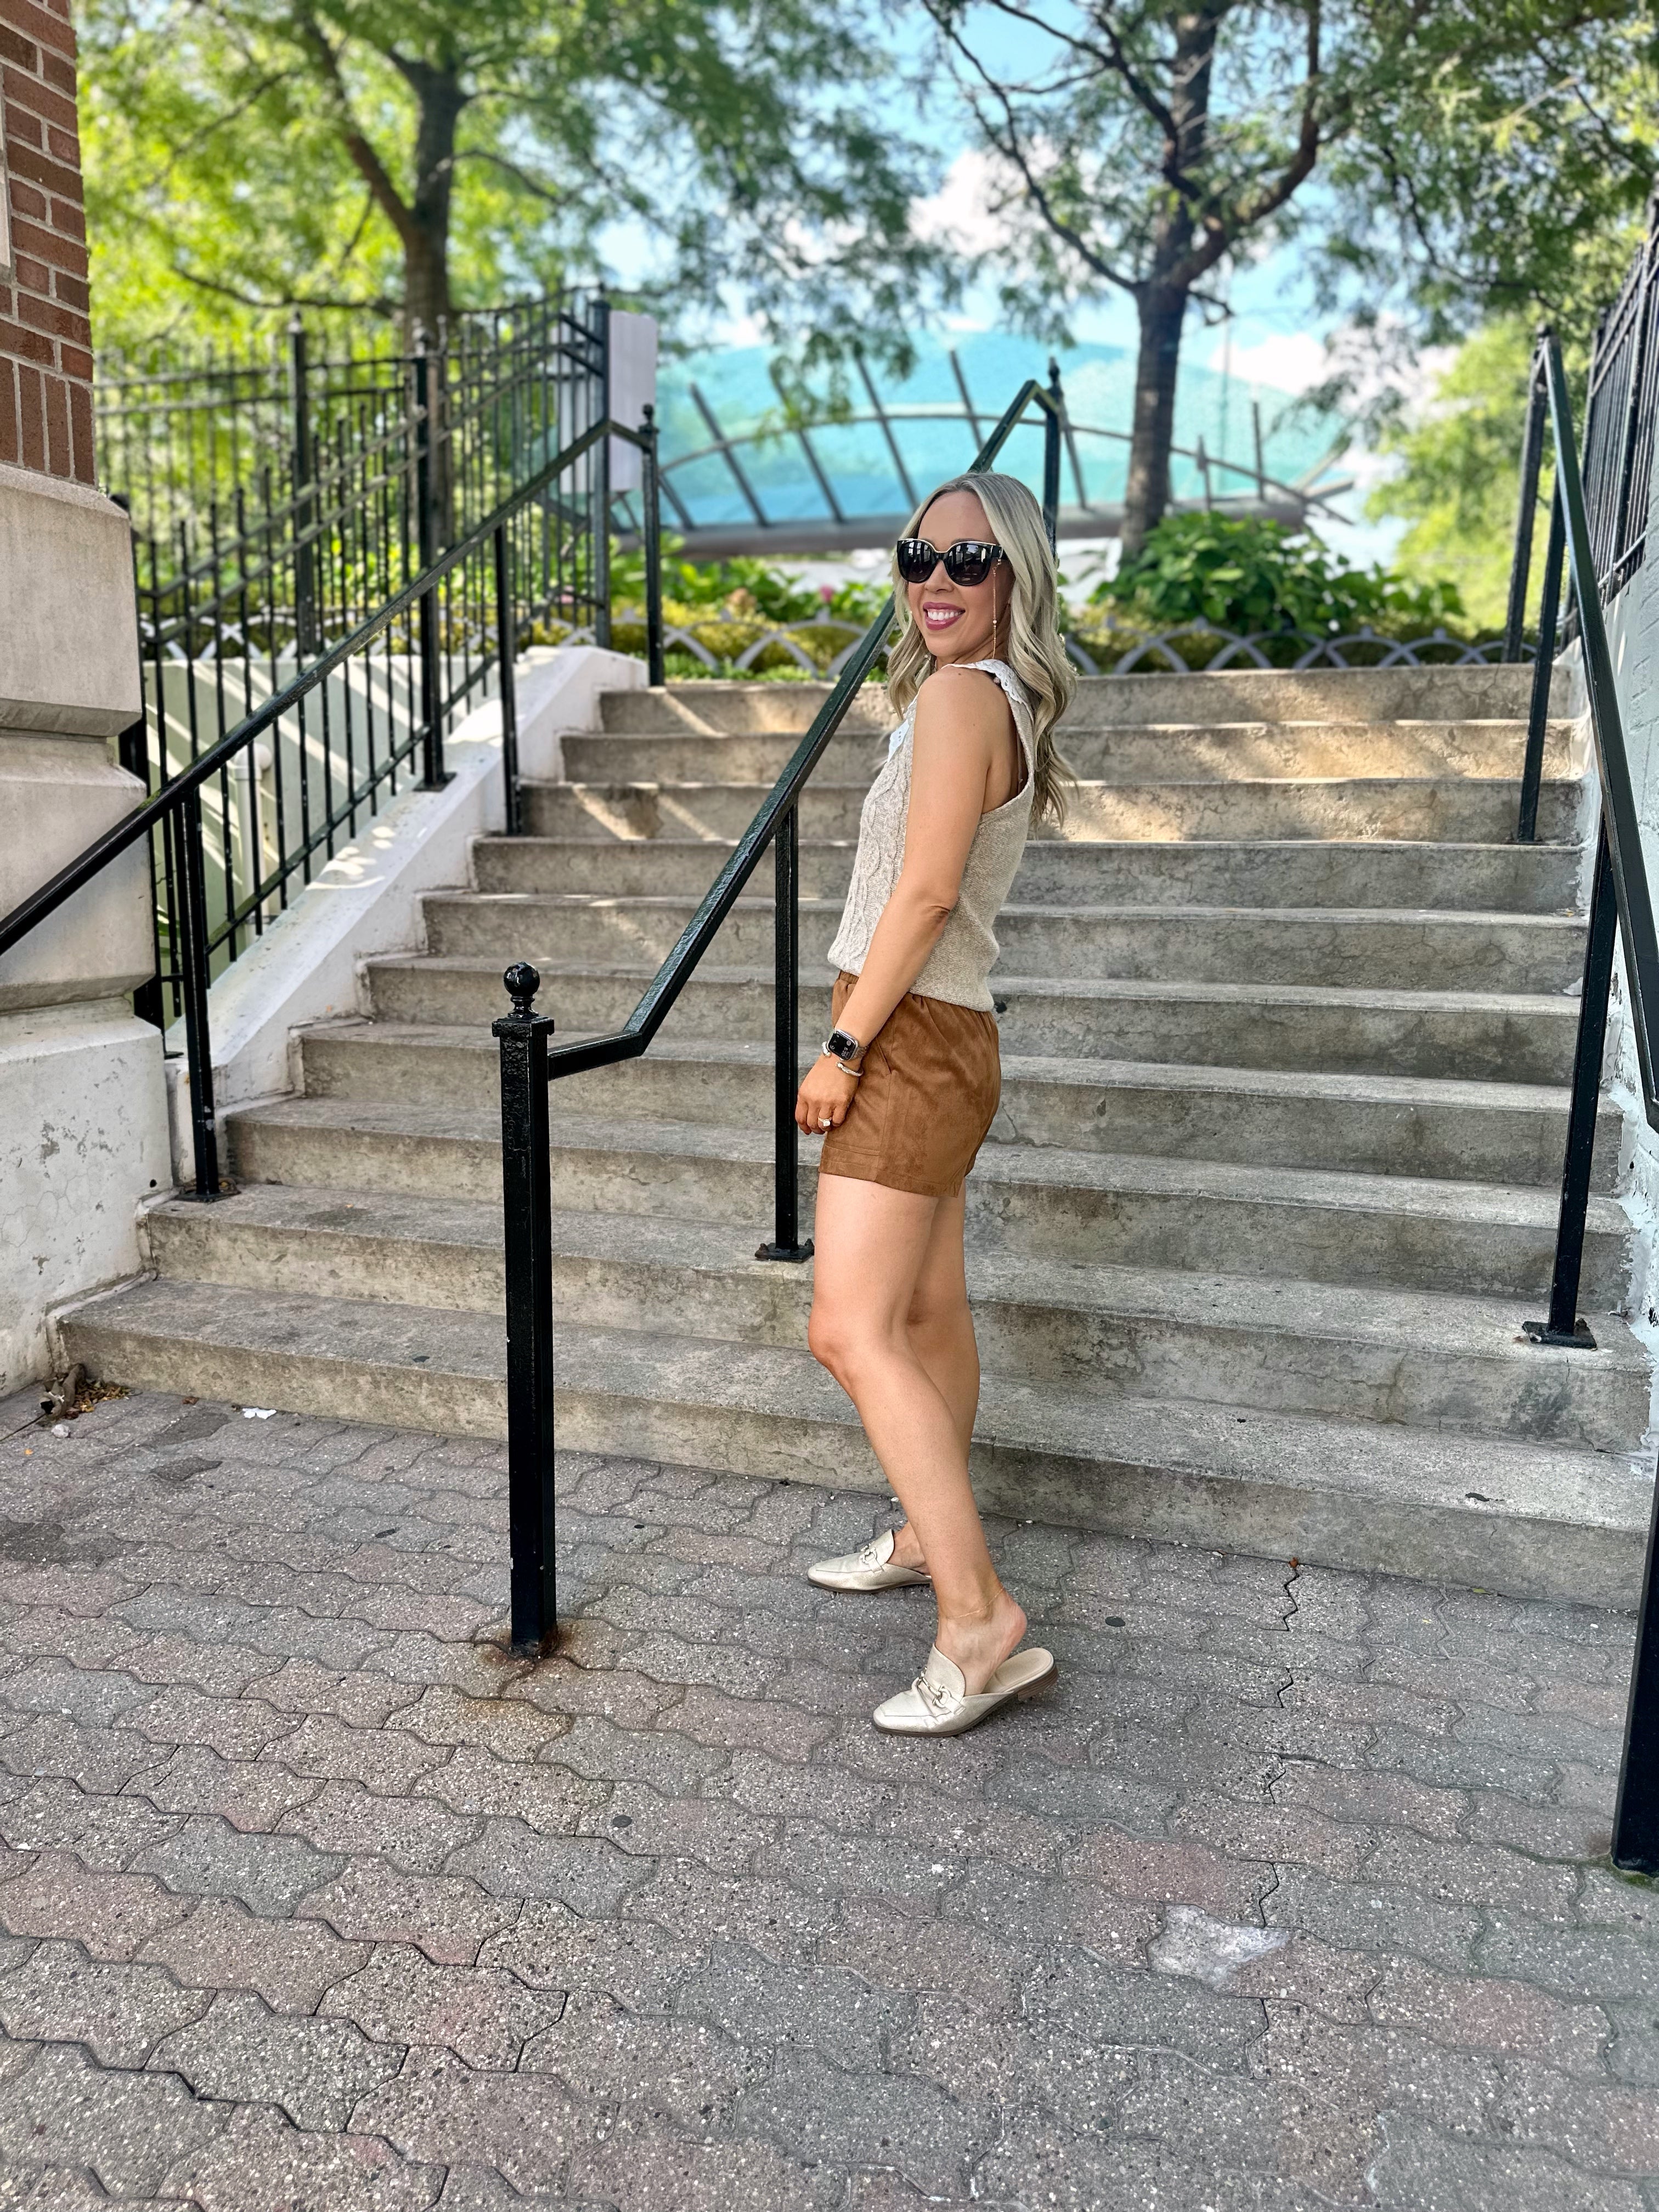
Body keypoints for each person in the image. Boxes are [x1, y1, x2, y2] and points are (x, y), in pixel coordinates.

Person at [797, 470, 1076, 1737]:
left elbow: (922, 896)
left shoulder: (966, 698)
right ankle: (925, 1538)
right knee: (925, 1310)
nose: (937, 581)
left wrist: (843, 1046)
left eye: (969, 560)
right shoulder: (986, 696)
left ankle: (978, 1621)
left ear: (1015, 572)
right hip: (948, 1029)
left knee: (848, 1330)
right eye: (920, 557)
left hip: (906, 1032)